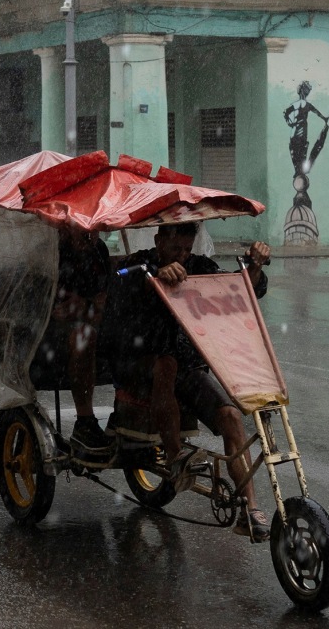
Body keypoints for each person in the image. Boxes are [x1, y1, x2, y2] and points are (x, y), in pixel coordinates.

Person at [115, 223, 272, 541]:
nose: (183, 256)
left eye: (187, 249)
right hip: (141, 363)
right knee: (166, 365)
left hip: (187, 366)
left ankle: (250, 508)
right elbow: (123, 278)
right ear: (159, 240)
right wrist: (157, 274)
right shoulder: (138, 263)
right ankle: (175, 459)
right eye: (176, 250)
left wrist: (253, 266)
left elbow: (238, 288)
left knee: (230, 416)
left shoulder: (200, 266)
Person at [52, 226, 111, 453]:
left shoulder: (98, 250)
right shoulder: (53, 252)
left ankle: (127, 415)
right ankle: (85, 421)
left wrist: (93, 304)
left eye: (95, 229)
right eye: (84, 229)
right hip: (52, 332)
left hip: (90, 322)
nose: (90, 235)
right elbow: (52, 304)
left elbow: (101, 295)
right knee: (83, 336)